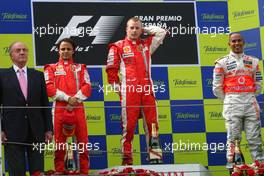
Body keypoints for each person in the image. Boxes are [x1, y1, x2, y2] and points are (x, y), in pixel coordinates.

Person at [106, 17, 167, 165]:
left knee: (152, 125)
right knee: (129, 127)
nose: (134, 31)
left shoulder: (146, 45)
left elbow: (161, 32)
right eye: (131, 28)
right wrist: (121, 92)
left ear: (141, 30)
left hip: (147, 90)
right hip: (130, 91)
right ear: (126, 29)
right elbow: (111, 72)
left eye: (137, 28)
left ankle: (154, 158)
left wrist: (144, 29)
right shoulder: (117, 46)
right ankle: (127, 161)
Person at [0, 42, 53, 176]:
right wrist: (0, 130)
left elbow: (45, 104)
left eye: (24, 50)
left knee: (37, 171)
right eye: (18, 50)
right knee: (16, 172)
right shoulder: (2, 75)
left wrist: (48, 129)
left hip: (37, 131)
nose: (22, 52)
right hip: (11, 132)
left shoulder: (38, 75)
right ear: (11, 55)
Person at [213, 33, 264, 165]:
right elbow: (217, 88)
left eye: (239, 41)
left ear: (243, 42)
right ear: (229, 44)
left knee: (255, 140)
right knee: (233, 140)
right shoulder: (221, 62)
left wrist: (247, 94)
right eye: (234, 41)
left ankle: (259, 169)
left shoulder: (253, 61)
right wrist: (230, 98)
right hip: (232, 103)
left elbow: (258, 84)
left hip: (250, 102)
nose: (237, 43)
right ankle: (234, 170)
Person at [44, 38, 91, 174]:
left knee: (82, 143)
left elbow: (87, 87)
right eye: (63, 49)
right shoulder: (50, 68)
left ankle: (84, 172)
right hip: (59, 109)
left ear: (73, 51)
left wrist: (75, 100)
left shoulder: (81, 67)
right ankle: (60, 171)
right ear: (58, 51)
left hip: (78, 108)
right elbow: (49, 88)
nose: (65, 51)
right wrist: (67, 98)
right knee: (59, 144)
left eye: (68, 49)